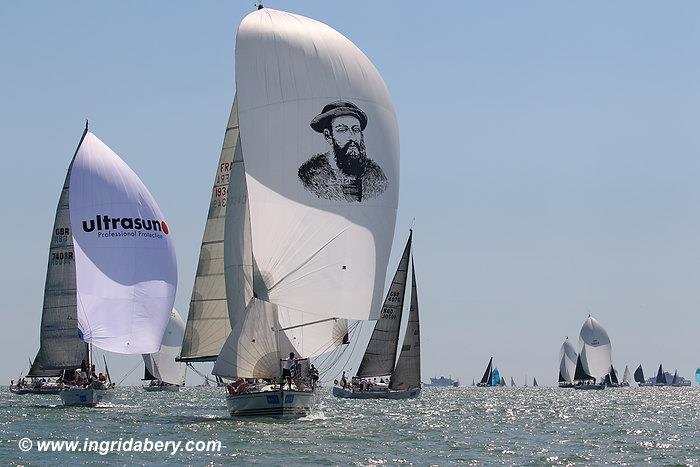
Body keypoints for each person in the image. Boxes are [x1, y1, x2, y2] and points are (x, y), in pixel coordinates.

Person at [298, 101, 387, 202]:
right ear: (328, 135)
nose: (352, 137)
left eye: (356, 130)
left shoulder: (377, 178)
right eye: (342, 130)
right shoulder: (310, 180)